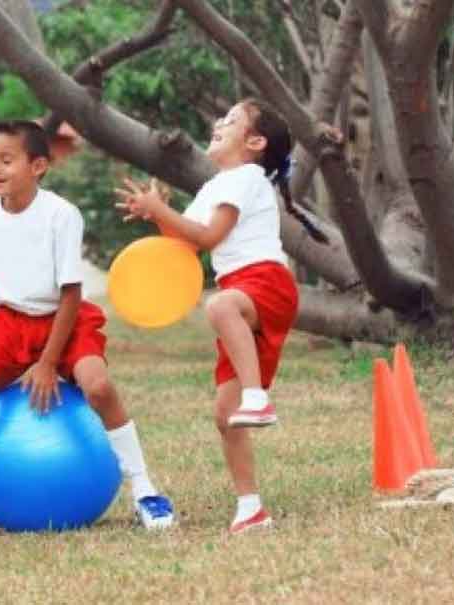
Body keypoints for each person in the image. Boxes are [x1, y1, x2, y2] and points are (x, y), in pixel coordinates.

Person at [0, 121, 175, 544]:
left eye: (7, 160)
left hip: (65, 317)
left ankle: (145, 491)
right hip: (5, 323)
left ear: (38, 166)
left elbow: (71, 293)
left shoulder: (61, 216)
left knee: (98, 386)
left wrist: (47, 363)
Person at [116, 99, 329, 534]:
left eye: (230, 120)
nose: (217, 122)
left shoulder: (247, 178)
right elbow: (188, 242)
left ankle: (258, 397)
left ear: (254, 142)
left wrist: (160, 211)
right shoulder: (214, 187)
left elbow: (211, 235)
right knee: (224, 413)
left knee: (219, 305)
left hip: (264, 282)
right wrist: (157, 213)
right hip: (242, 290)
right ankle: (250, 508)